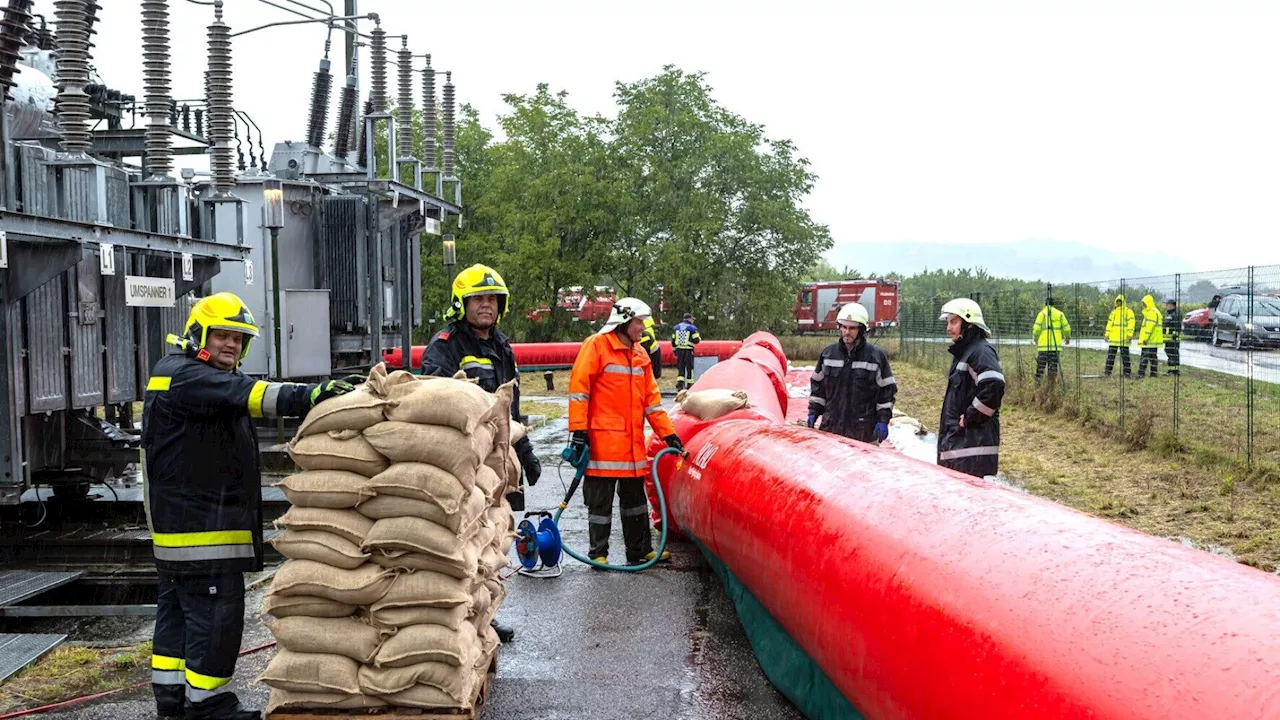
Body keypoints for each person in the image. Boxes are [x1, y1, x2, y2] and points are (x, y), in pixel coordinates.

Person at [144, 293, 358, 720]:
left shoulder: (181, 373)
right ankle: (209, 705)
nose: (231, 345)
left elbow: (240, 389)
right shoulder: (190, 376)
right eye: (222, 335)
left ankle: (172, 699)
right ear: (199, 334)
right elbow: (255, 394)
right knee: (215, 617)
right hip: (202, 531)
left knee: (179, 616)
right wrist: (312, 395)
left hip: (184, 529)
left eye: (239, 339)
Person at [420, 264, 541, 643]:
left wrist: (524, 451)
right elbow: (438, 405)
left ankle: (485, 617)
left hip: (496, 467)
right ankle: (456, 620)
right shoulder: (445, 345)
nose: (486, 305)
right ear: (462, 303)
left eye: (492, 299)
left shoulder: (502, 346)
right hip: (466, 464)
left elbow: (510, 410)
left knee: (493, 541)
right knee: (462, 544)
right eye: (478, 299)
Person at [568, 298, 681, 565]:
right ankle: (599, 553)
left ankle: (639, 551)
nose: (643, 328)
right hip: (601, 444)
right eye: (640, 322)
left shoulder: (640, 354)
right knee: (600, 505)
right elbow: (579, 392)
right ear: (625, 320)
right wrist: (579, 431)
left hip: (631, 448)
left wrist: (669, 434)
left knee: (635, 504)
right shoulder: (596, 346)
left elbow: (652, 403)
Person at [807, 303, 896, 444]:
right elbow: (818, 388)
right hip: (831, 430)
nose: (847, 332)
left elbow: (886, 392)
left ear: (861, 330)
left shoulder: (875, 357)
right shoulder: (828, 354)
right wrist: (813, 412)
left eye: (852, 328)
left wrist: (883, 420)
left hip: (863, 432)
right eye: (844, 327)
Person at [937, 298, 1005, 479]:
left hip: (970, 448)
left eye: (953, 322)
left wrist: (970, 416)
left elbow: (994, 385)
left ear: (969, 325)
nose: (948, 328)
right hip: (961, 447)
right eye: (948, 322)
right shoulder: (966, 352)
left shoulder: (980, 351)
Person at [1032, 297, 1071, 384]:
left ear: (1045, 304)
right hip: (1055, 347)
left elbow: (1036, 328)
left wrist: (1035, 338)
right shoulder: (1059, 314)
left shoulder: (1042, 314)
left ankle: (1037, 383)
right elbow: (1067, 328)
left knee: (1040, 367)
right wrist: (1067, 338)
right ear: (1054, 304)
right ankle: (1051, 385)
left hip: (1043, 347)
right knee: (1053, 367)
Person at [1104, 294, 1136, 378]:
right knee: (1111, 357)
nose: (1118, 303)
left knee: (1125, 357)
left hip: (1124, 339)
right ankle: (1107, 372)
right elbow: (1109, 324)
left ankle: (1127, 373)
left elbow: (1131, 324)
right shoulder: (1113, 312)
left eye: (1120, 301)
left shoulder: (1128, 311)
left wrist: (1129, 334)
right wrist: (1107, 335)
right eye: (1117, 301)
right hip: (1114, 339)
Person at [1136, 294, 1165, 379]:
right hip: (1153, 340)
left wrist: (1145, 338)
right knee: (1153, 357)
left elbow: (1149, 327)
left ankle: (1141, 374)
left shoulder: (1151, 312)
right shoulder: (1154, 311)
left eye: (1144, 303)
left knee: (1144, 357)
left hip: (1149, 340)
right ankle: (1153, 373)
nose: (1143, 305)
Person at [671, 312, 702, 391]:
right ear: (689, 319)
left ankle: (680, 384)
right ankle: (689, 384)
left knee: (680, 367)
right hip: (688, 350)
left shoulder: (676, 328)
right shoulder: (692, 328)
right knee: (689, 367)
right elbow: (696, 340)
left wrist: (674, 350)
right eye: (692, 319)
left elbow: (673, 341)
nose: (693, 321)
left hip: (679, 350)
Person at [1163, 298, 1181, 375]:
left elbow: (1177, 327)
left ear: (1171, 305)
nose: (1166, 306)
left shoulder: (1175, 315)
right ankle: (1170, 370)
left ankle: (1175, 371)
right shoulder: (1169, 315)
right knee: (1169, 354)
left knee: (1173, 354)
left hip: (1173, 339)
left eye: (1167, 305)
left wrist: (1174, 337)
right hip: (1168, 339)